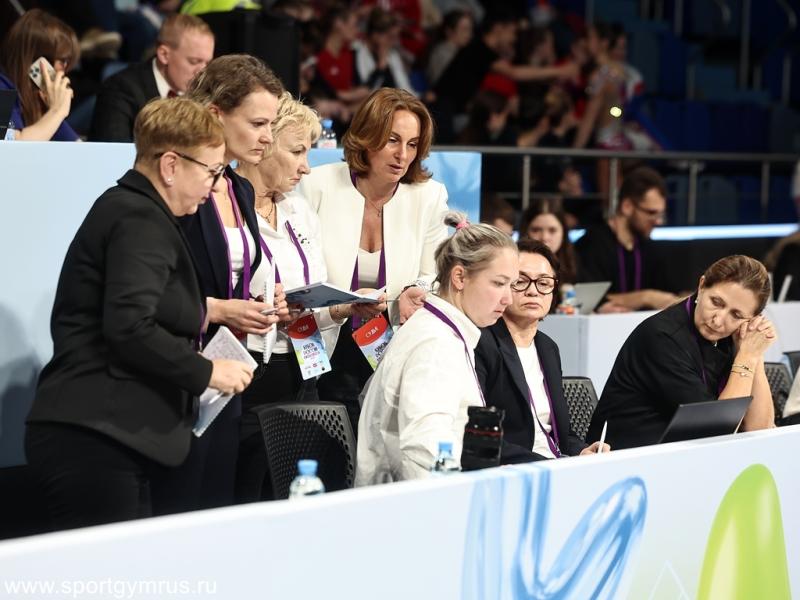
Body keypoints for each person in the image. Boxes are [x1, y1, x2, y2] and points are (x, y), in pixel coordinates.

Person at [25, 98, 255, 530]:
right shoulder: (140, 218)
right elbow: (129, 326)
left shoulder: (135, 211)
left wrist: (208, 311)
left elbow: (145, 306)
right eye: (211, 171)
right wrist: (207, 371)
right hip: (99, 435)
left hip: (107, 436)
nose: (213, 187)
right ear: (171, 165)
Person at [169, 54, 285, 512]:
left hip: (228, 373)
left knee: (216, 505)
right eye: (258, 123)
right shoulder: (180, 188)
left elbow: (237, 273)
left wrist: (263, 300)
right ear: (216, 114)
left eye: (271, 124)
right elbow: (158, 286)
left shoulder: (240, 188)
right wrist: (217, 308)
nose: (268, 137)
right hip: (178, 370)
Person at [299, 87, 448, 428]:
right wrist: (340, 308)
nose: (402, 155)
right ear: (367, 137)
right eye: (392, 140)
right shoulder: (318, 185)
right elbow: (301, 274)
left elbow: (433, 273)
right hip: (322, 339)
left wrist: (414, 289)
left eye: (412, 144)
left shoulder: (429, 196)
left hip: (389, 342)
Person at [234, 94, 351, 500]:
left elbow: (311, 296)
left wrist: (339, 309)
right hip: (247, 373)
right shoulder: (224, 207)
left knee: (291, 494)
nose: (306, 166)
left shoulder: (299, 210)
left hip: (303, 370)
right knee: (243, 494)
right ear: (264, 145)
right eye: (297, 151)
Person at [356, 213, 519, 484]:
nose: (508, 298)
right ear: (459, 277)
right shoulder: (436, 342)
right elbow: (425, 448)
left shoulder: (435, 329)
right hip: (416, 501)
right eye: (499, 283)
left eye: (512, 285)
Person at [587, 255, 778, 450]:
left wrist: (754, 351)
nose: (718, 320)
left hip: (678, 455)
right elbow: (717, 432)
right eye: (716, 302)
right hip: (624, 457)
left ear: (752, 319)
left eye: (736, 315)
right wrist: (746, 357)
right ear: (702, 286)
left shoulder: (733, 337)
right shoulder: (662, 337)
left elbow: (760, 429)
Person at [475, 239, 610, 460]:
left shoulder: (548, 348)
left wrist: (581, 450)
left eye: (544, 283)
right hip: (515, 466)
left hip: (556, 463)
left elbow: (559, 433)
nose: (533, 291)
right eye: (521, 281)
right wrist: (547, 462)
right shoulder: (481, 343)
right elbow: (481, 436)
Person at [90, 13, 214, 142]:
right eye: (194, 61)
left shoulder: (206, 95)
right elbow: (114, 150)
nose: (202, 72)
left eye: (207, 63)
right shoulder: (120, 89)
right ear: (164, 54)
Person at [575, 166, 678, 312]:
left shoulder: (649, 248)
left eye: (661, 215)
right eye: (651, 213)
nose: (658, 221)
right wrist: (645, 297)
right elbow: (589, 300)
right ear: (627, 206)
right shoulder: (592, 243)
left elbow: (667, 295)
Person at [0, 9, 79, 141]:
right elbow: (12, 147)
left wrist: (54, 112)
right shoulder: (2, 87)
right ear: (38, 61)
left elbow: (78, 148)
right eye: (63, 61)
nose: (65, 70)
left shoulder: (44, 103)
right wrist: (57, 111)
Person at [520, 197, 578, 290]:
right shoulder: (513, 265)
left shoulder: (576, 262)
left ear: (563, 232)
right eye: (536, 230)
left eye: (552, 230)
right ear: (525, 231)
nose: (544, 237)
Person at [353, 8, 415, 94]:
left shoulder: (392, 54)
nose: (394, 42)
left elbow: (405, 87)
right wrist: (380, 68)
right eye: (390, 37)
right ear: (375, 35)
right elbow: (367, 92)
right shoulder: (357, 52)